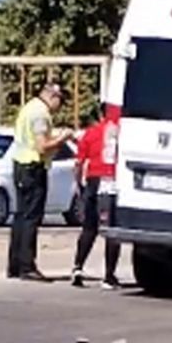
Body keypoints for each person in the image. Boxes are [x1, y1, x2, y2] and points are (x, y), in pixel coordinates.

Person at [8, 82, 74, 281]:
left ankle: (15, 265)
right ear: (53, 97)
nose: (59, 107)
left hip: (20, 164)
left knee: (20, 216)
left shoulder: (29, 107)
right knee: (31, 218)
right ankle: (27, 266)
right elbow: (42, 147)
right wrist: (63, 139)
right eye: (60, 102)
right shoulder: (40, 114)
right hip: (32, 167)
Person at [70, 102, 121, 290]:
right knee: (111, 231)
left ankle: (77, 267)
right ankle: (108, 276)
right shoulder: (119, 133)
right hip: (111, 181)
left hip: (92, 181)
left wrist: (78, 186)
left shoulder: (90, 133)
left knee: (89, 228)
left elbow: (79, 163)